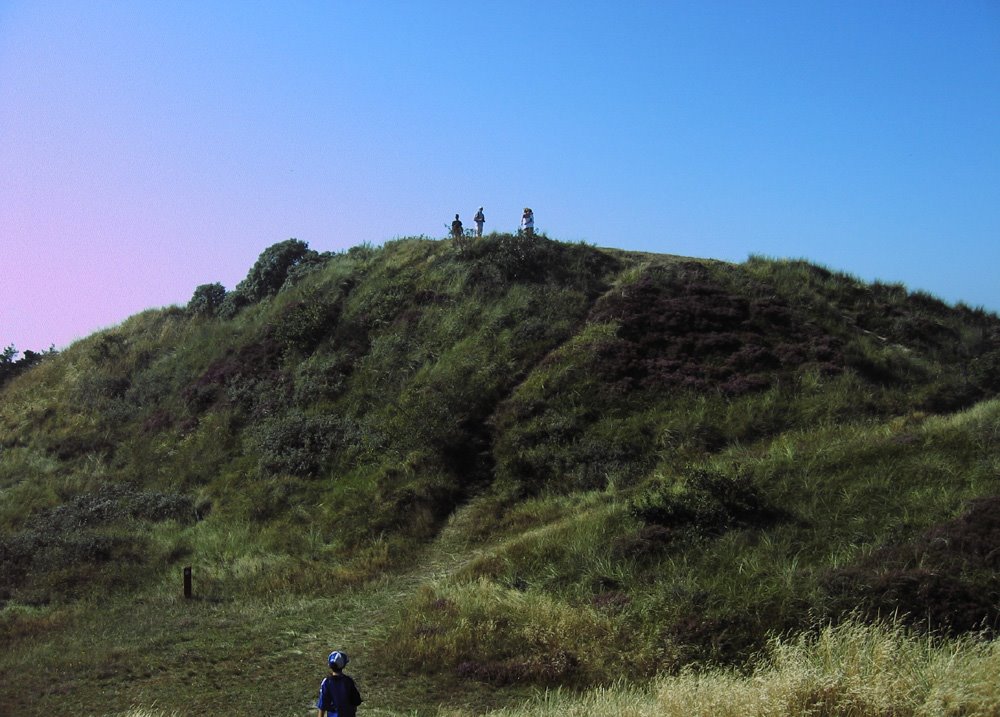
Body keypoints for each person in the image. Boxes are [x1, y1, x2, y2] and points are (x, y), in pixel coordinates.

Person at [316, 650, 363, 717]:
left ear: (329, 665)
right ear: (344, 666)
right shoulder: (349, 681)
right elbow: (355, 703)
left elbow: (322, 706)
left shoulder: (327, 683)